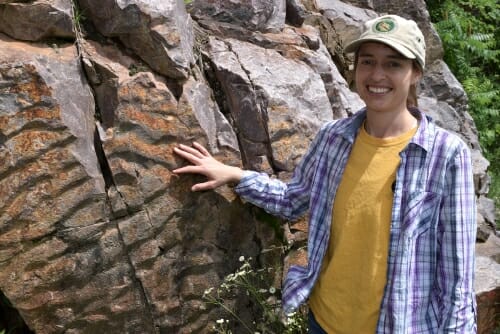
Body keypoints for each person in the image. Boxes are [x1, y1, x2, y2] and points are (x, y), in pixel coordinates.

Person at [173, 14, 477, 334]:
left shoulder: (446, 155)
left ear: (415, 72)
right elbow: (293, 200)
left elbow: (457, 279)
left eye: (393, 64)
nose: (377, 75)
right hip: (324, 321)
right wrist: (235, 175)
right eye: (367, 61)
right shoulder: (333, 137)